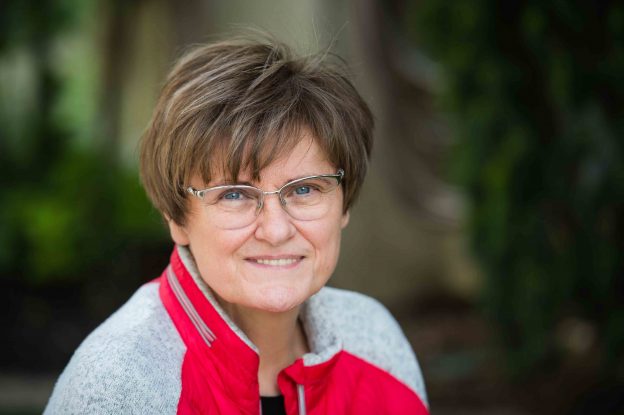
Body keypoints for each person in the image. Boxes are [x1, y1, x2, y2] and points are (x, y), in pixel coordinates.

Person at [44, 34, 429, 414]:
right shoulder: (121, 386)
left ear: (344, 204)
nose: (276, 231)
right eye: (234, 195)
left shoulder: (375, 344)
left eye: (305, 189)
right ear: (176, 217)